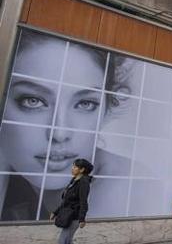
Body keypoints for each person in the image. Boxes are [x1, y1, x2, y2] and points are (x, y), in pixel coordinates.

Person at [0, 30, 140, 221]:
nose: (60, 132)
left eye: (85, 104)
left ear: (106, 109)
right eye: (32, 101)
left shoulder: (127, 189)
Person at [50, 158, 93, 244]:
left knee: (62, 241)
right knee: (68, 241)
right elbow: (66, 200)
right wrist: (55, 212)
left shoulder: (83, 182)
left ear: (82, 169)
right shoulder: (74, 180)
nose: (72, 168)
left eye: (75, 167)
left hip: (74, 217)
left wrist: (81, 219)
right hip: (68, 215)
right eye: (73, 166)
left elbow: (83, 201)